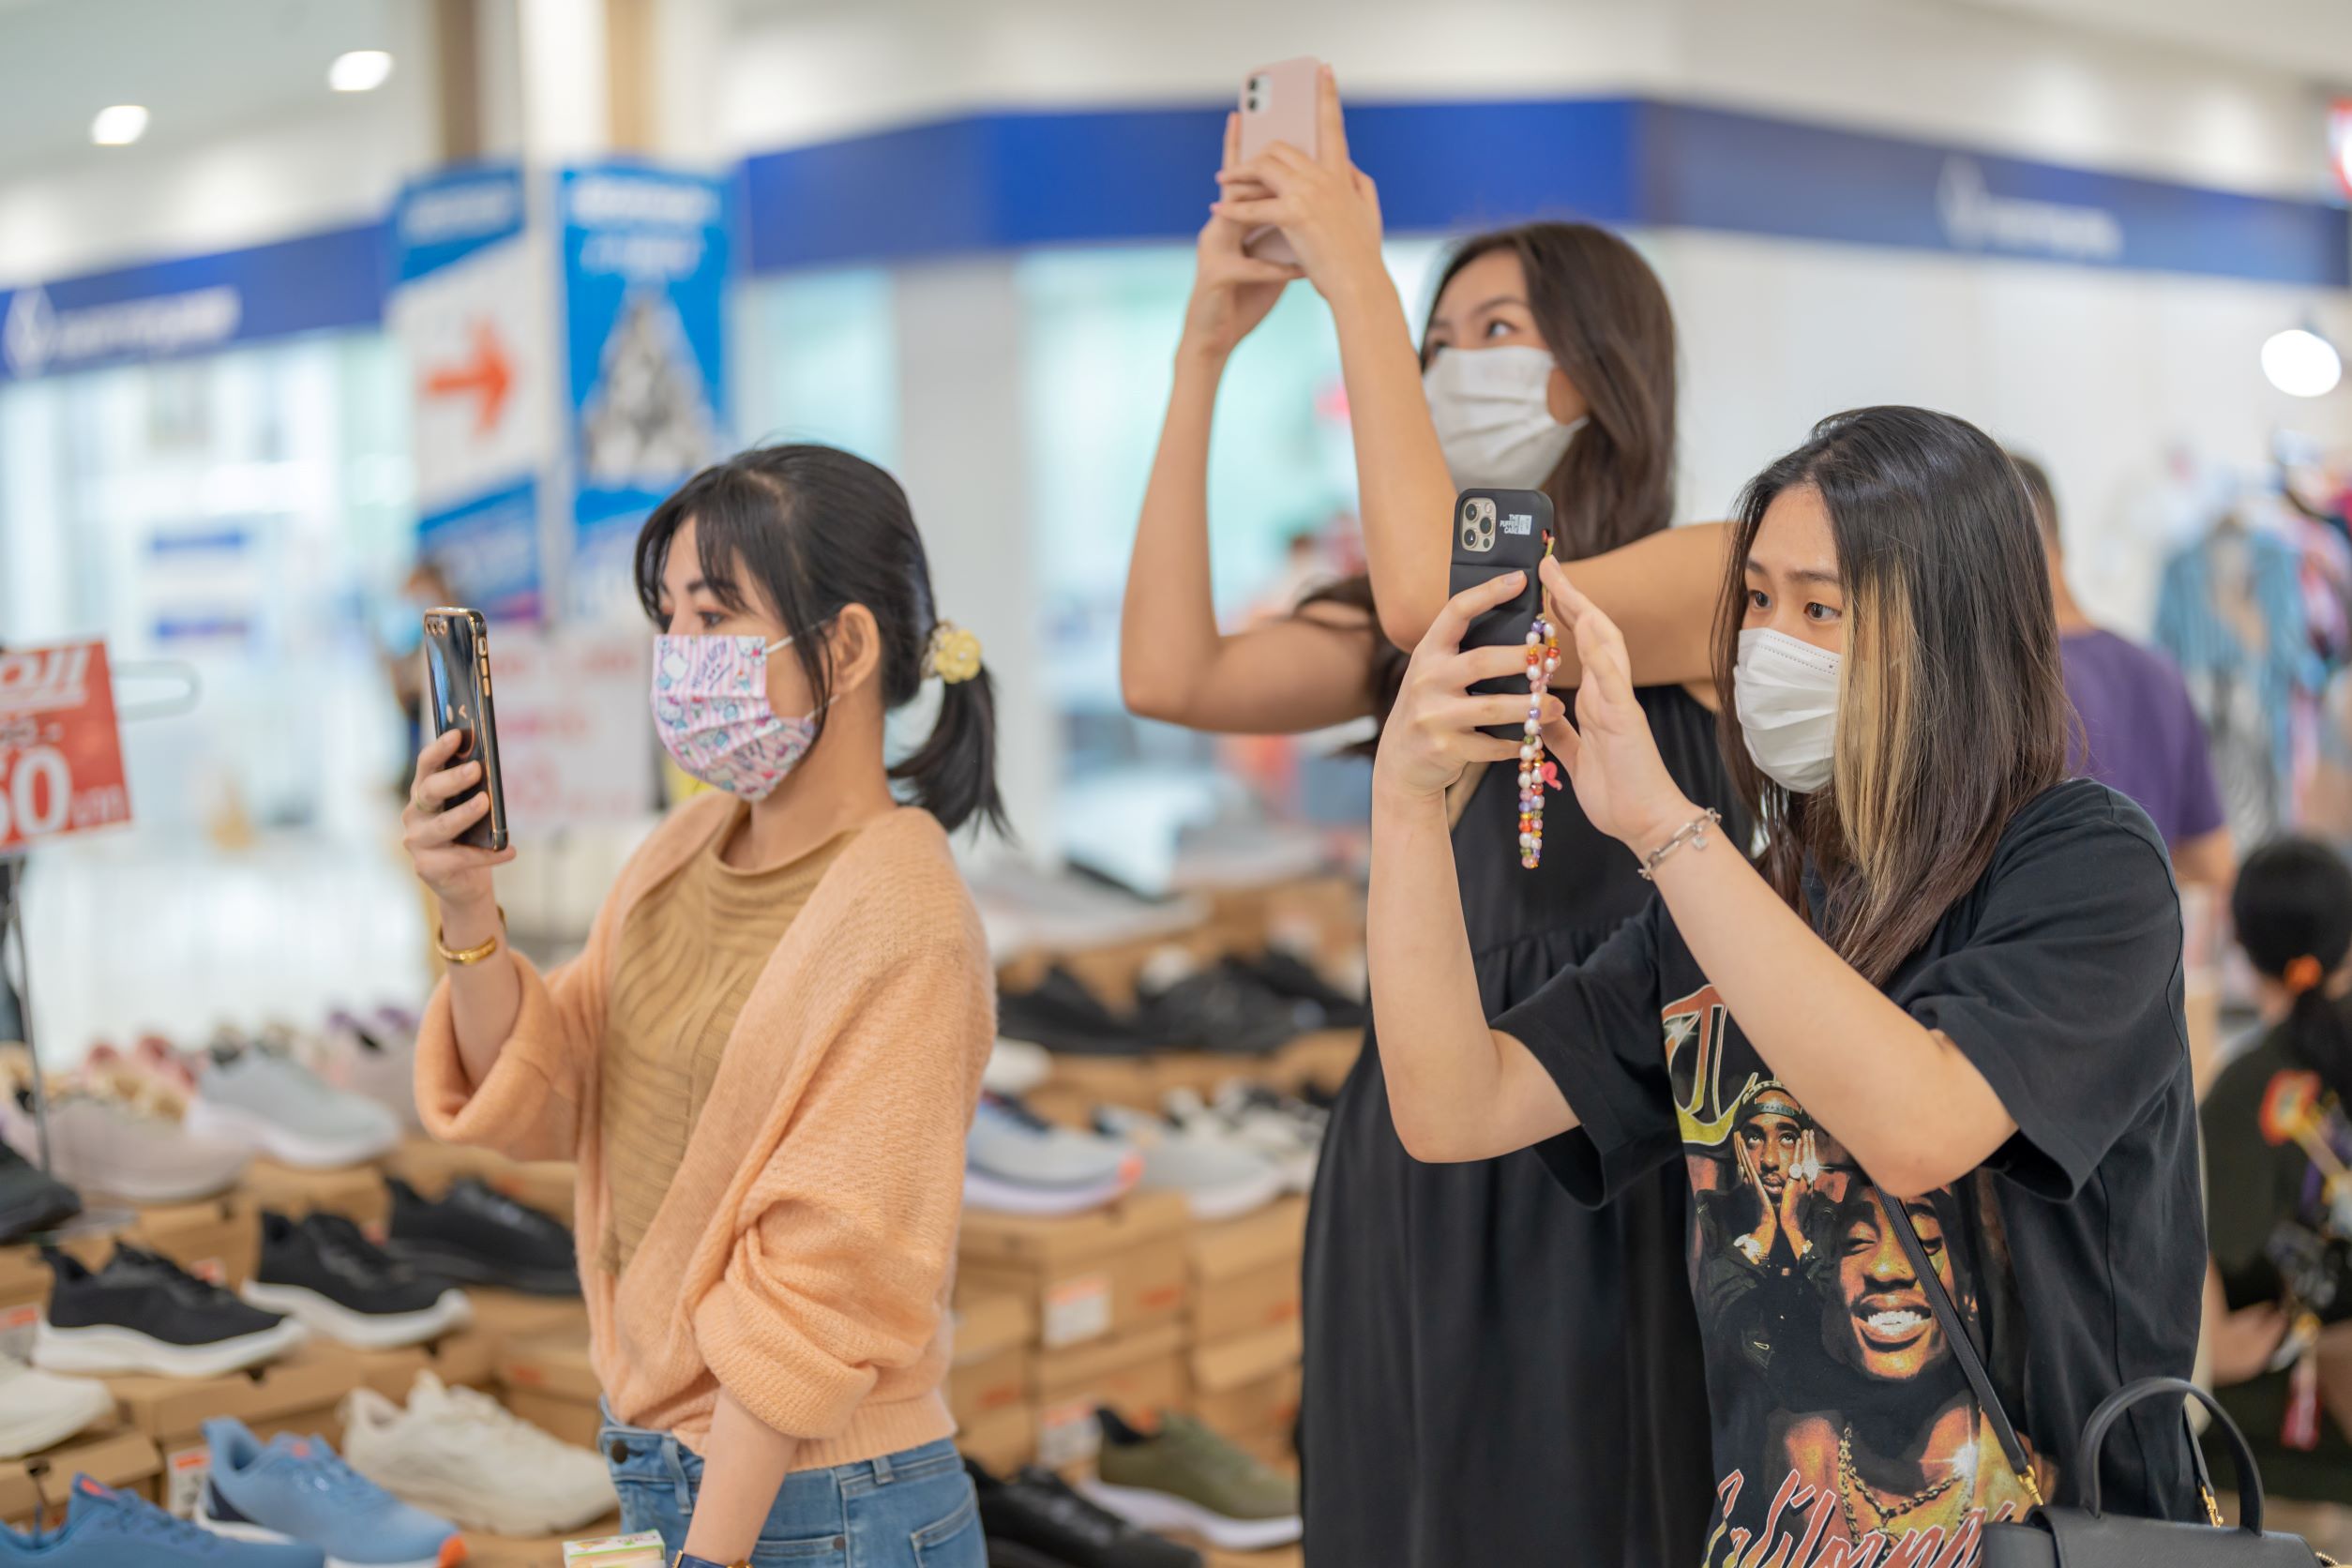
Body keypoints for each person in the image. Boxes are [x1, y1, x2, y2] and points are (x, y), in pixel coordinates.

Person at [1366, 406, 2203, 1560]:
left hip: (2065, 1539)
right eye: (1756, 600)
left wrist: (1665, 825)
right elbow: (1453, 1104)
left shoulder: (2084, 863)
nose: (1769, 644)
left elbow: (1918, 1125)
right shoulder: (1746, 899)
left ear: (1952, 637)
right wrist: (1407, 805)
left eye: (1821, 608)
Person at [1122, 69, 1731, 1565]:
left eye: (1496, 333)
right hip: (1414, 1138)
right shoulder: (1406, 626)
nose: (1456, 363)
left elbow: (1434, 602)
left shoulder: (1702, 580)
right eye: (1438, 339)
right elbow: (1168, 673)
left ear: (1601, 372)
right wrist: (1204, 352)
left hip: (1602, 1128)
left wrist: (1357, 283)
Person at [401, 445, 1001, 1568]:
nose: (680, 653)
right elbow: (557, 1091)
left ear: (848, 647)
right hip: (679, 1480)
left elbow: (823, 1281)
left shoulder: (909, 922)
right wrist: (467, 906)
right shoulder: (682, 849)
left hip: (824, 1504)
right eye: (668, 616)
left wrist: (708, 1555)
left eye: (716, 616)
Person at [2203, 837, 2352, 1556]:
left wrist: (2211, 1350)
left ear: (2241, 941)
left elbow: (2190, 1244)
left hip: (2262, 1476)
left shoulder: (2243, 1092)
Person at [2013, 452, 2233, 894]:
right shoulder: (2158, 672)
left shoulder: (2008, 683)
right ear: (2060, 543)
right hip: (2143, 929)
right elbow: (2213, 861)